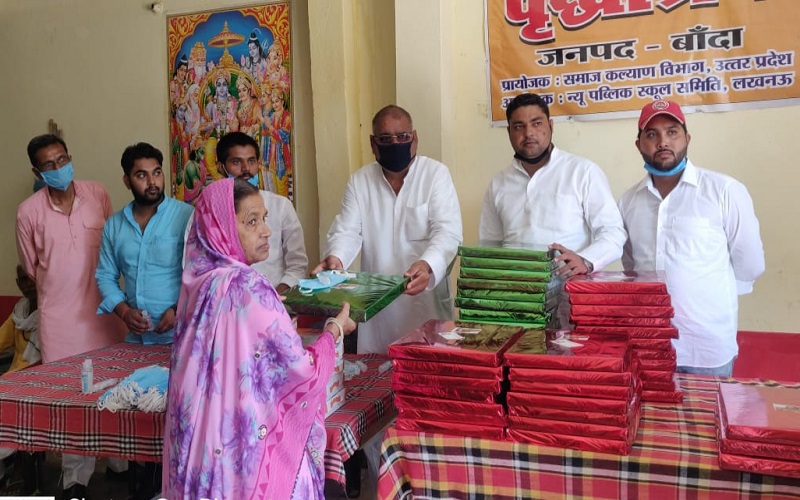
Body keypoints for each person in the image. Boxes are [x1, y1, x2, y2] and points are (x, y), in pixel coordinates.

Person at [163, 177, 356, 499]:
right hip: (243, 454)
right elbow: (299, 368)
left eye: (264, 219)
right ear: (220, 229)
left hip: (201, 449)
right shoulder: (248, 286)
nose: (266, 231)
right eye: (252, 221)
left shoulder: (197, 283)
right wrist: (333, 332)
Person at [15, 134, 126, 499]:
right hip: (61, 322)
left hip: (106, 315)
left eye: (62, 159)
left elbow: (110, 247)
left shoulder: (97, 194)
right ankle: (75, 479)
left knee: (117, 391)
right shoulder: (28, 212)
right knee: (71, 401)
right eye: (49, 164)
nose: (58, 168)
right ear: (37, 171)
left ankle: (120, 465)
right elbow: (31, 268)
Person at [618, 100, 765, 376]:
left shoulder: (724, 191)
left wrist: (710, 300)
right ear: (638, 145)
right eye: (652, 134)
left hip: (706, 349)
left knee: (708, 420)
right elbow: (632, 268)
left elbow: (751, 263)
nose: (663, 141)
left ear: (687, 138)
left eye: (672, 132)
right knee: (652, 420)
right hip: (650, 347)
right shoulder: (628, 201)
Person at [314, 104, 463, 354]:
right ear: (373, 144)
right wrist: (336, 259)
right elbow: (347, 230)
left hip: (424, 303)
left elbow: (448, 233)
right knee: (377, 377)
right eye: (386, 139)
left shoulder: (435, 174)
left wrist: (427, 265)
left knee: (427, 375)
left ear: (414, 138)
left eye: (403, 137)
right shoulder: (360, 181)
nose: (395, 143)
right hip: (377, 312)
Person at [479, 92, 626, 275]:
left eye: (537, 123)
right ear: (509, 132)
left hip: (569, 291)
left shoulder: (582, 172)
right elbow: (489, 245)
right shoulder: (498, 183)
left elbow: (613, 233)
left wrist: (585, 260)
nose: (529, 133)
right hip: (515, 293)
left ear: (550, 126)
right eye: (518, 127)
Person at [96, 142, 194, 345]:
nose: (152, 182)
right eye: (141, 175)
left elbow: (203, 272)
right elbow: (105, 276)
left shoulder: (187, 217)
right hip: (136, 339)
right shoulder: (114, 225)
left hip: (183, 337)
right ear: (126, 181)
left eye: (157, 173)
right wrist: (124, 312)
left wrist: (179, 309)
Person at [210, 132, 307, 294]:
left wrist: (273, 299)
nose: (246, 169)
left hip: (276, 301)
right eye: (236, 162)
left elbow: (297, 266)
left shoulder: (281, 205)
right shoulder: (209, 210)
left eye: (251, 161)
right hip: (226, 303)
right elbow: (197, 266)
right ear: (221, 167)